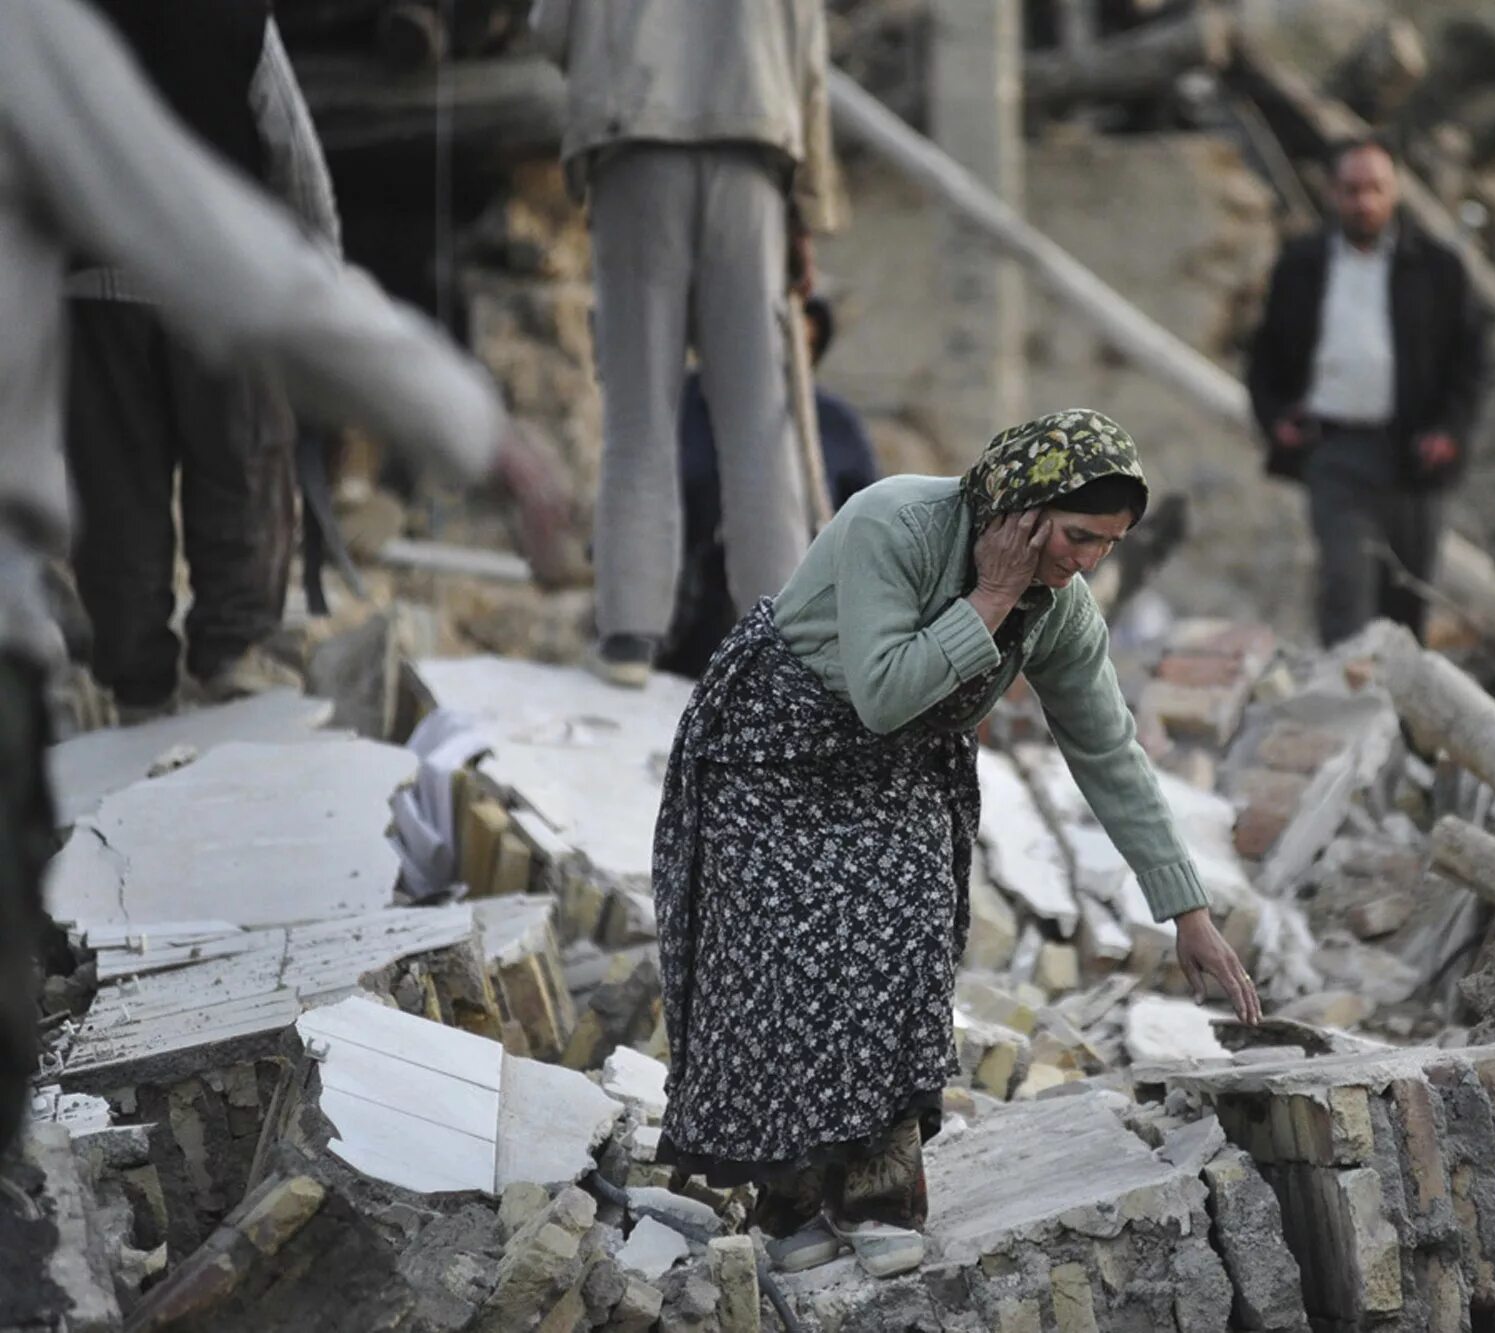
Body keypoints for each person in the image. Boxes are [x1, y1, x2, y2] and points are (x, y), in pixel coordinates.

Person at [0, 0, 570, 1158]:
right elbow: (276, 186)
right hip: (180, 283)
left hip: (83, 301)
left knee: (118, 501)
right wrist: (456, 409)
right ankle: (224, 674)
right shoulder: (92, 31)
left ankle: (139, 680)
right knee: (229, 483)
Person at [651, 408, 1262, 1278]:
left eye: (1109, 545)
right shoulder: (893, 525)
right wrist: (990, 598)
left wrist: (1186, 910)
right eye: (1078, 535)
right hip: (774, 745)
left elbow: (1108, 750)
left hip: (898, 762)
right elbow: (884, 692)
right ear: (1021, 504)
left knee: (906, 938)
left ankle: (875, 1195)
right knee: (783, 960)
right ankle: (788, 1201)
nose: (1087, 561)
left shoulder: (1062, 609)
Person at [528, 0, 846, 688]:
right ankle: (784, 648)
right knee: (760, 426)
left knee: (639, 412)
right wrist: (810, 208)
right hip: (753, 150)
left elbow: (549, 27)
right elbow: (808, 59)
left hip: (633, 140)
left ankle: (628, 639)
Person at [66, 1, 343, 720]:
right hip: (219, 278)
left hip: (96, 282)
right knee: (241, 470)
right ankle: (234, 663)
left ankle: (137, 690)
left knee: (117, 493)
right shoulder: (237, 15)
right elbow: (293, 154)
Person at [1246, 136, 1486, 648]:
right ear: (1333, 193)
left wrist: (1451, 430)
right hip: (1333, 452)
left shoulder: (1438, 269)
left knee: (1405, 604)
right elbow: (1264, 355)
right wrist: (1275, 420)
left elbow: (1469, 363)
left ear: (1395, 190)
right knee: (1345, 590)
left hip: (1412, 458)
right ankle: (1345, 712)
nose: (1365, 202)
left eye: (1375, 188)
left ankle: (1398, 720)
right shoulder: (1302, 265)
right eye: (1352, 190)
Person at [659, 295, 880, 678]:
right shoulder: (686, 404)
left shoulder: (834, 424)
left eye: (801, 339)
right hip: (688, 624)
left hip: (796, 629)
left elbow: (867, 534)